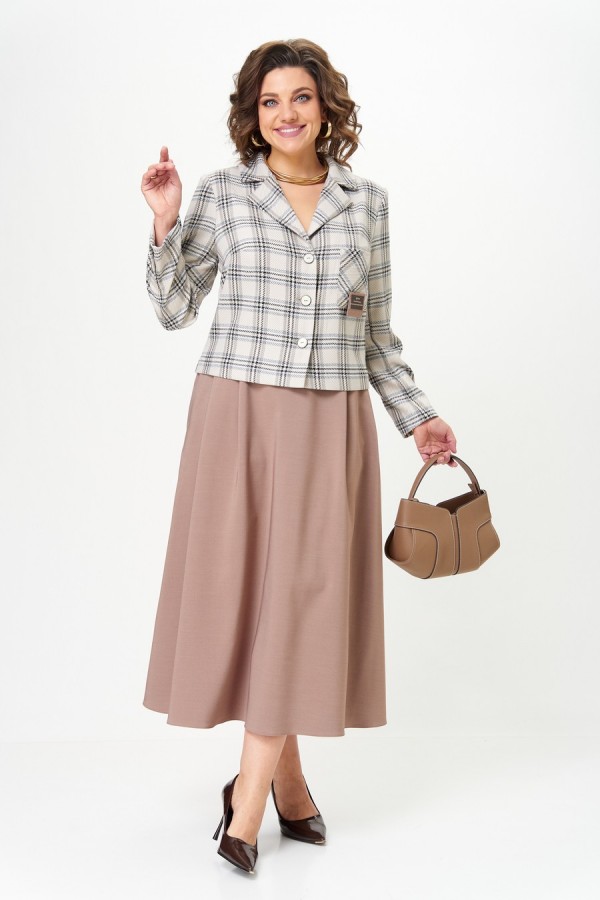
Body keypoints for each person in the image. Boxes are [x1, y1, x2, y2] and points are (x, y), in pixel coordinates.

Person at [139, 38, 457, 875]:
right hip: (237, 414)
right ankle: (278, 789)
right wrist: (165, 221)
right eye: (270, 100)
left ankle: (249, 802)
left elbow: (376, 334)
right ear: (253, 115)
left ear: (326, 108)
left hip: (330, 422)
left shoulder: (367, 204)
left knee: (301, 597)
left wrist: (418, 419)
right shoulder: (225, 194)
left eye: (301, 98)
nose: (286, 113)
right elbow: (174, 309)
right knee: (255, 595)